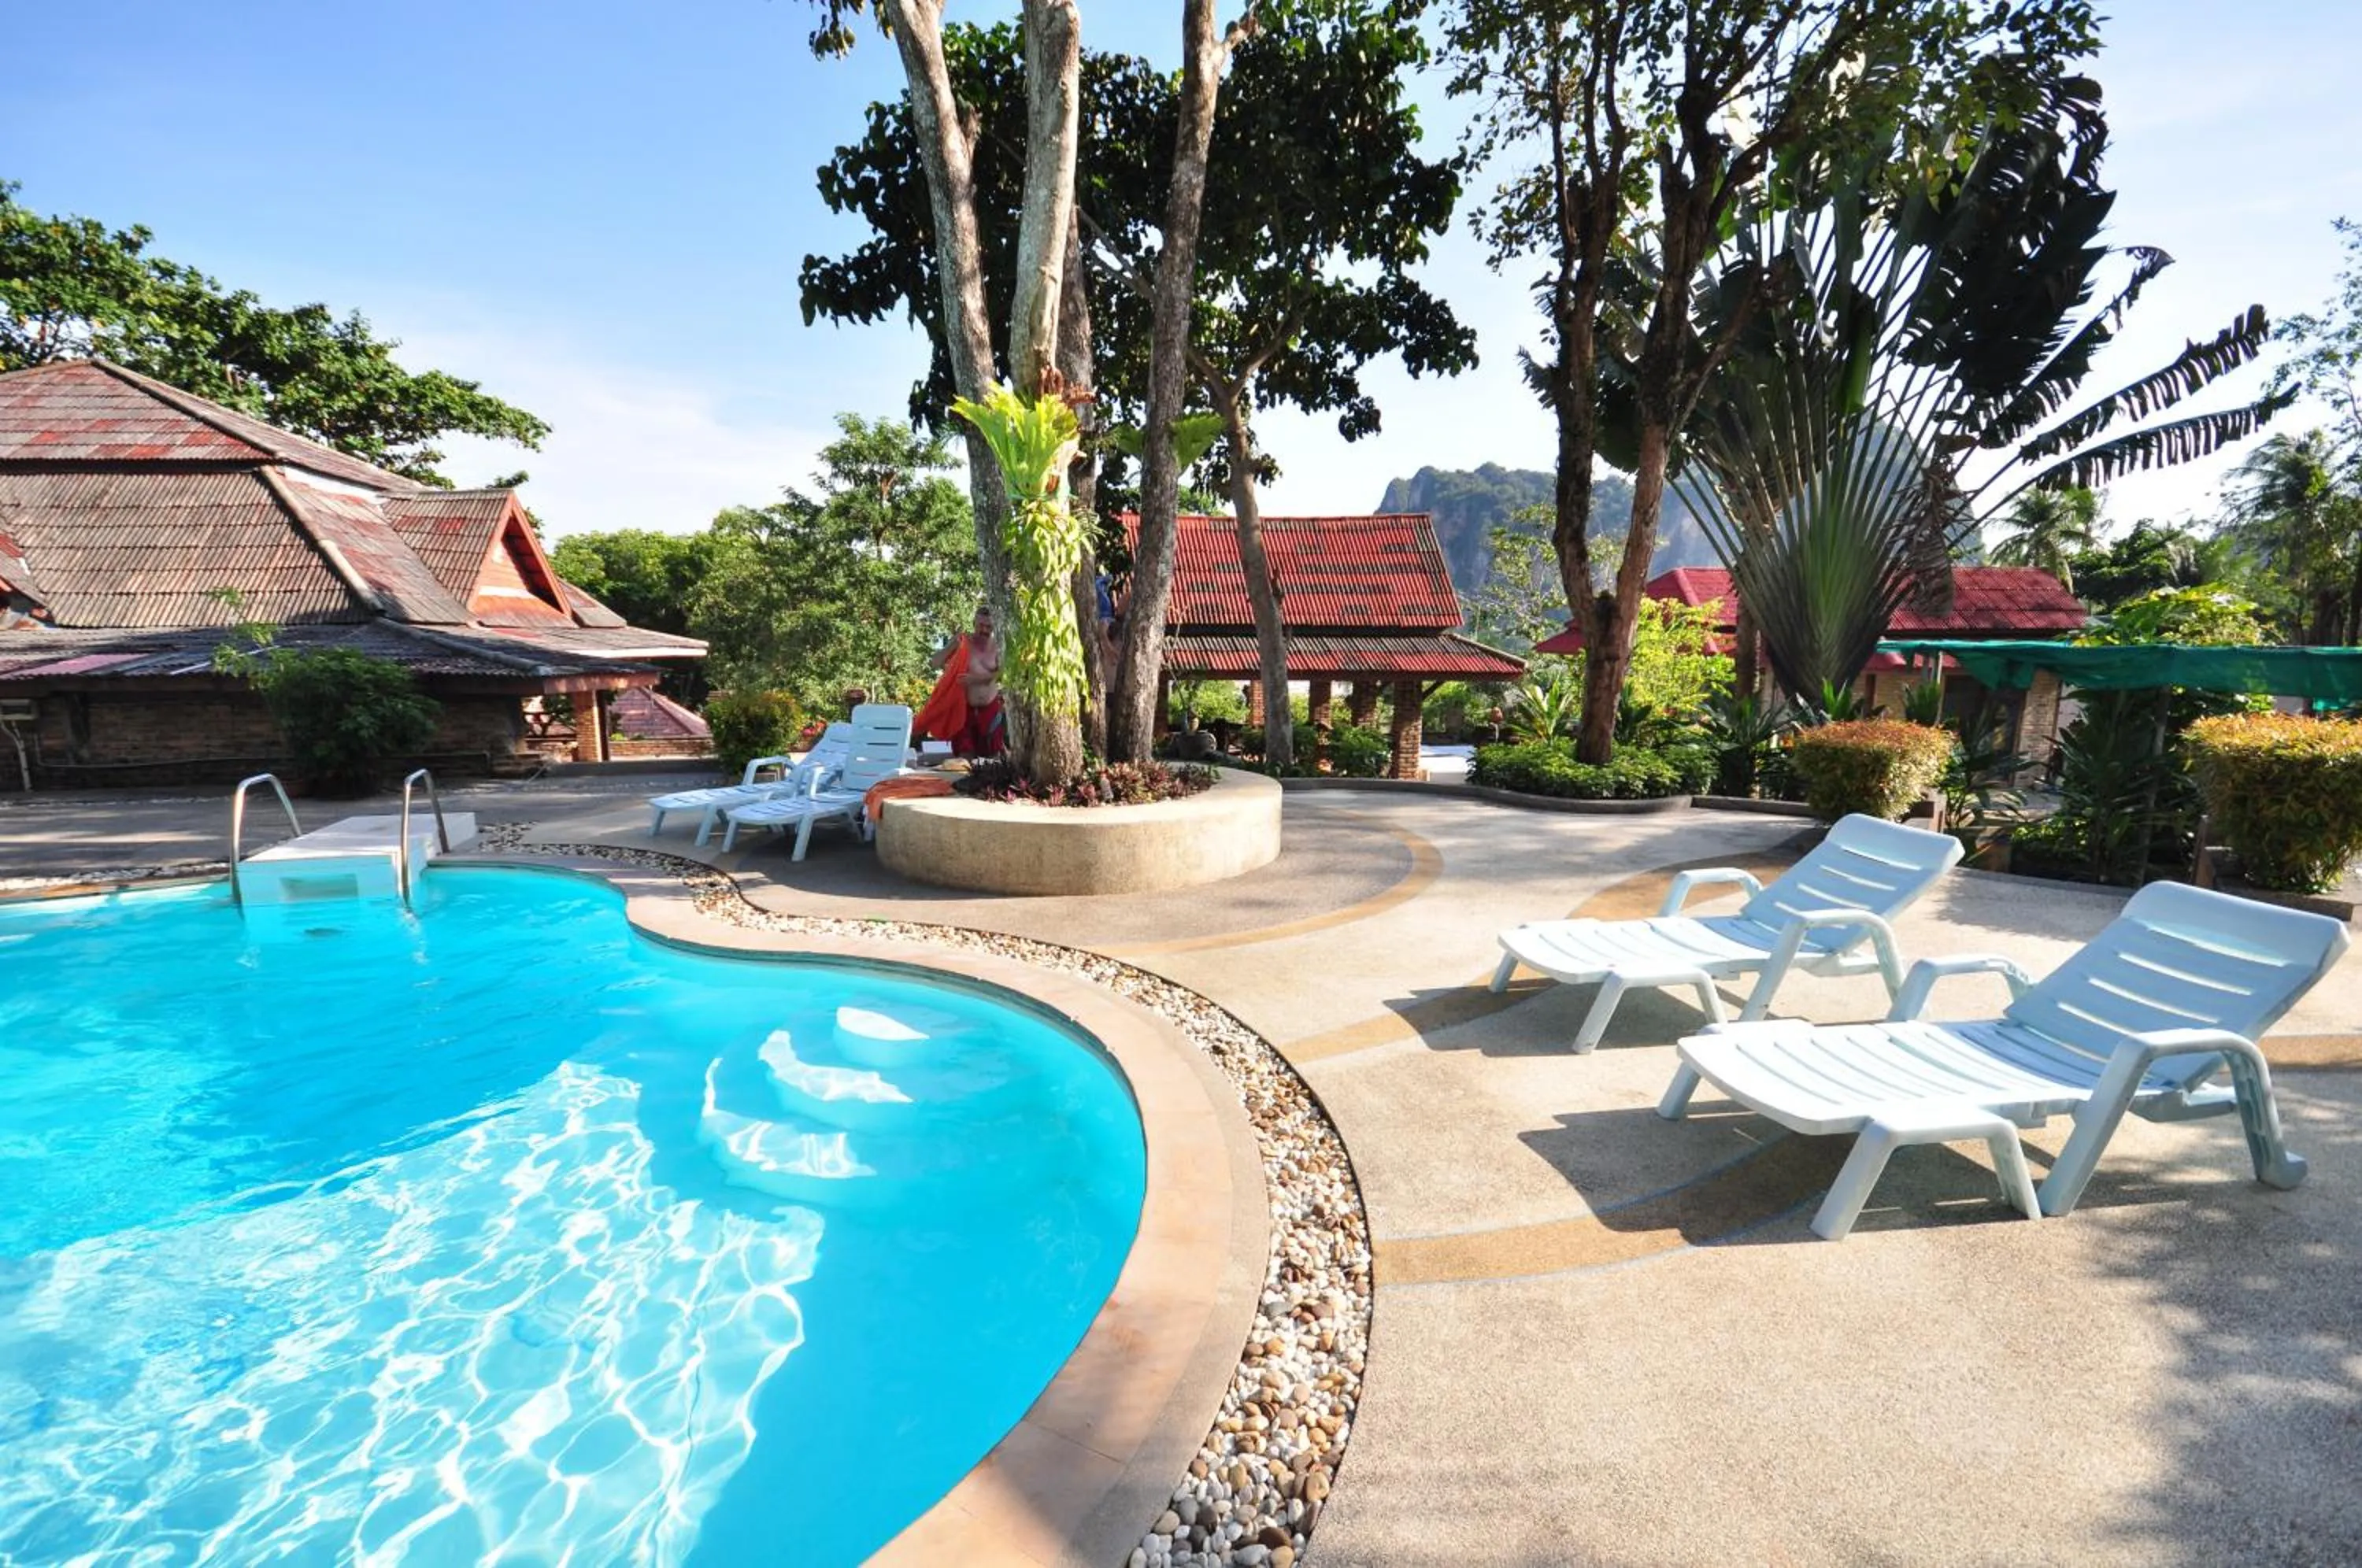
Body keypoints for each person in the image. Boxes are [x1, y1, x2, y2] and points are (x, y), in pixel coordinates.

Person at [916, 605, 1006, 758]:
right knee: (965, 756)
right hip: (964, 709)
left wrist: (976, 680)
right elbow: (935, 663)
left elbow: (1004, 674)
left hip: (990, 708)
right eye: (981, 625)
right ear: (974, 623)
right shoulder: (964, 642)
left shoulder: (999, 646)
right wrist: (952, 645)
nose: (984, 630)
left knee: (994, 755)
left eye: (989, 627)